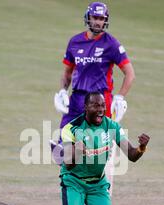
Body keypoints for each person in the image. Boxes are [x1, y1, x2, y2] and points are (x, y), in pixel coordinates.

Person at [52, 2, 135, 164]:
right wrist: (62, 91)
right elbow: (67, 73)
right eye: (95, 17)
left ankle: (99, 182)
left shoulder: (111, 44)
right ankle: (69, 177)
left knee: (99, 146)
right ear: (88, 18)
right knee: (63, 144)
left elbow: (130, 74)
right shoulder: (75, 42)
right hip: (77, 99)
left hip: (101, 100)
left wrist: (120, 97)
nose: (98, 22)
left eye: (101, 18)